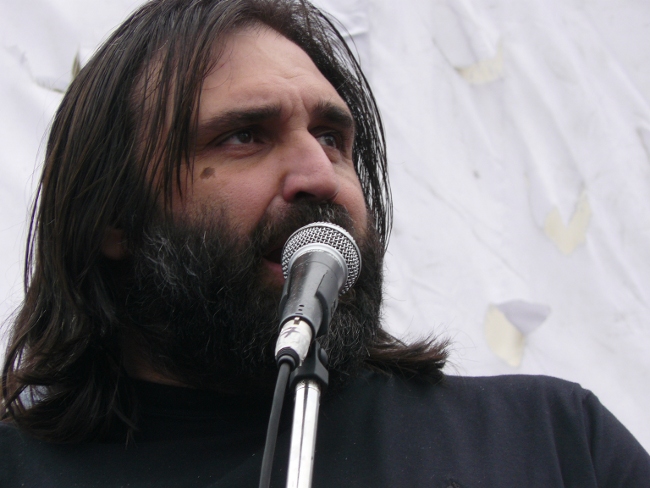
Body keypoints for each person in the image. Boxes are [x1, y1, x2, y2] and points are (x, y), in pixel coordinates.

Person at [0, 0, 648, 486]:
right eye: (245, 136)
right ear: (113, 216)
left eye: (333, 138)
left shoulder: (551, 443)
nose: (320, 176)